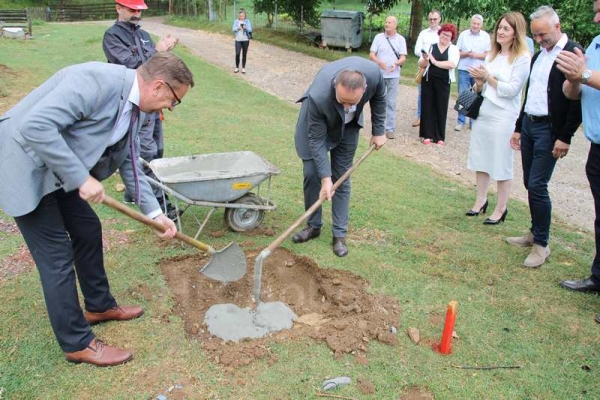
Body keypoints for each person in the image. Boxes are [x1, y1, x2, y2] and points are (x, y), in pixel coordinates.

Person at [0, 52, 194, 366]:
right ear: (159, 86)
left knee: (88, 229)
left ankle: (99, 305)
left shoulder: (137, 109)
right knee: (57, 258)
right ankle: (77, 343)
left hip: (58, 170)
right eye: (174, 101)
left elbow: (131, 162)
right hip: (23, 165)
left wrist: (155, 213)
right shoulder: (94, 82)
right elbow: (36, 126)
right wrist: (80, 177)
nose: (171, 108)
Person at [506, 6, 583, 268]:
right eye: (536, 35)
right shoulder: (540, 56)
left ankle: (542, 245)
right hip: (529, 124)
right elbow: (531, 94)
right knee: (530, 182)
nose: (539, 40)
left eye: (542, 34)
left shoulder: (573, 54)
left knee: (538, 185)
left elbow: (577, 101)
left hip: (550, 130)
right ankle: (534, 231)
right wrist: (519, 126)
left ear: (557, 26)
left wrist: (565, 136)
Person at [291, 57, 387, 257]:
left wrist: (379, 130)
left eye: (352, 103)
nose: (346, 107)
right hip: (316, 125)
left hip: (348, 128)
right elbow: (316, 142)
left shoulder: (374, 75)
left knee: (342, 177)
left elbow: (380, 98)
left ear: (364, 88)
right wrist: (326, 179)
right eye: (342, 101)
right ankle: (313, 226)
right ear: (335, 86)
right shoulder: (318, 95)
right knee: (312, 173)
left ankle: (339, 235)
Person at [103, 0, 180, 220]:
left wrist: (164, 54)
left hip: (154, 102)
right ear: (118, 8)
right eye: (131, 9)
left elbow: (157, 68)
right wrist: (157, 51)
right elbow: (134, 67)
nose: (137, 13)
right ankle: (160, 207)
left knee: (158, 150)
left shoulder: (144, 34)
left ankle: (132, 192)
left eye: (139, 9)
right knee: (145, 153)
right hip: (133, 102)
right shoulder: (112, 37)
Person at [556, 0, 600, 322]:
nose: (596, 16)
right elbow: (575, 91)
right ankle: (598, 278)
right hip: (596, 145)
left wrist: (582, 72)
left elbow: (587, 75)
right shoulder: (596, 43)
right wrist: (574, 78)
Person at [465, 12, 530, 224]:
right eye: (499, 28)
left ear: (515, 33)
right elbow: (481, 88)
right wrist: (480, 82)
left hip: (504, 115)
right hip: (484, 112)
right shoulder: (491, 55)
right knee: (481, 157)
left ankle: (501, 208)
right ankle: (480, 200)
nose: (500, 32)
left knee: (501, 161)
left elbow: (511, 90)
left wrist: (488, 78)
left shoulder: (522, 58)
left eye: (506, 29)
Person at [418, 23, 459, 146]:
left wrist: (434, 62)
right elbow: (421, 63)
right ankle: (427, 134)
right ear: (439, 33)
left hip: (443, 81)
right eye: (443, 34)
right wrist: (426, 58)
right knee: (427, 106)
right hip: (428, 80)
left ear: (451, 37)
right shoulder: (431, 47)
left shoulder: (453, 49)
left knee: (441, 107)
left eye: (448, 35)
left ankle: (439, 136)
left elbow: (452, 64)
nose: (445, 37)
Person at [369, 15, 407, 139]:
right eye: (386, 22)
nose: (386, 24)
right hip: (379, 74)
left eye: (389, 22)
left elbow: (403, 57)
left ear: (395, 25)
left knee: (391, 102)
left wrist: (396, 64)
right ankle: (377, 128)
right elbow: (372, 54)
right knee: (378, 101)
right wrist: (379, 62)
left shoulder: (400, 39)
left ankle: (390, 128)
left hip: (393, 76)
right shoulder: (378, 38)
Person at [455, 14, 491, 131]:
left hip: (478, 71)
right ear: (471, 23)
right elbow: (457, 52)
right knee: (463, 94)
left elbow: (488, 54)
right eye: (474, 23)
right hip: (464, 69)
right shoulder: (463, 35)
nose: (475, 26)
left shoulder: (485, 36)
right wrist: (466, 54)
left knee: (476, 95)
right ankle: (460, 121)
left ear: (481, 25)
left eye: (478, 24)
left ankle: (473, 121)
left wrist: (476, 55)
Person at [413, 9, 441, 127]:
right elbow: (416, 50)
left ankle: (434, 117)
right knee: (422, 93)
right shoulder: (423, 33)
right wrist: (425, 55)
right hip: (425, 66)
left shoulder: (443, 33)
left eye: (435, 19)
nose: (433, 21)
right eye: (430, 19)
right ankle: (420, 116)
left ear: (439, 19)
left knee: (437, 94)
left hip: (439, 67)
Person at [233, 9, 252, 74]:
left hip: (245, 40)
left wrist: (245, 28)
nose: (241, 17)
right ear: (239, 16)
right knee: (237, 53)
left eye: (242, 16)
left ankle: (243, 68)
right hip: (238, 40)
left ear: (245, 16)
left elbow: (250, 29)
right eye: (240, 16)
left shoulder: (247, 21)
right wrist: (238, 28)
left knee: (244, 54)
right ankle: (237, 67)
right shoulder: (236, 21)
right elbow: (233, 29)